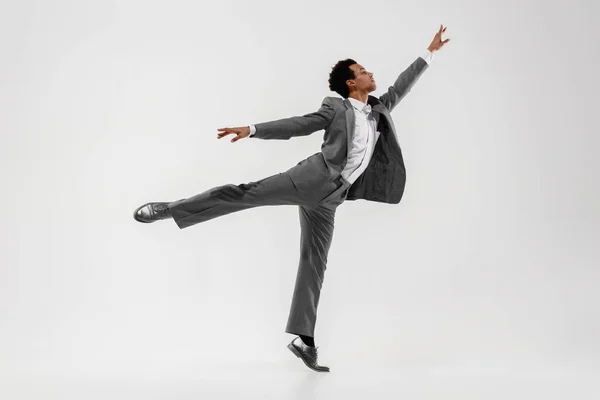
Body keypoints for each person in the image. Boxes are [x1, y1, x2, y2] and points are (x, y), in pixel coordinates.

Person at [133, 25, 450, 372]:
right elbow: (300, 124)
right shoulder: (335, 107)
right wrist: (253, 129)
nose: (370, 73)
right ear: (350, 83)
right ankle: (171, 209)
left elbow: (401, 85)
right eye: (362, 72)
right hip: (309, 180)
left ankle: (304, 340)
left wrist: (429, 52)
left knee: (315, 262)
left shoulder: (377, 109)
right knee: (245, 194)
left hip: (332, 199)